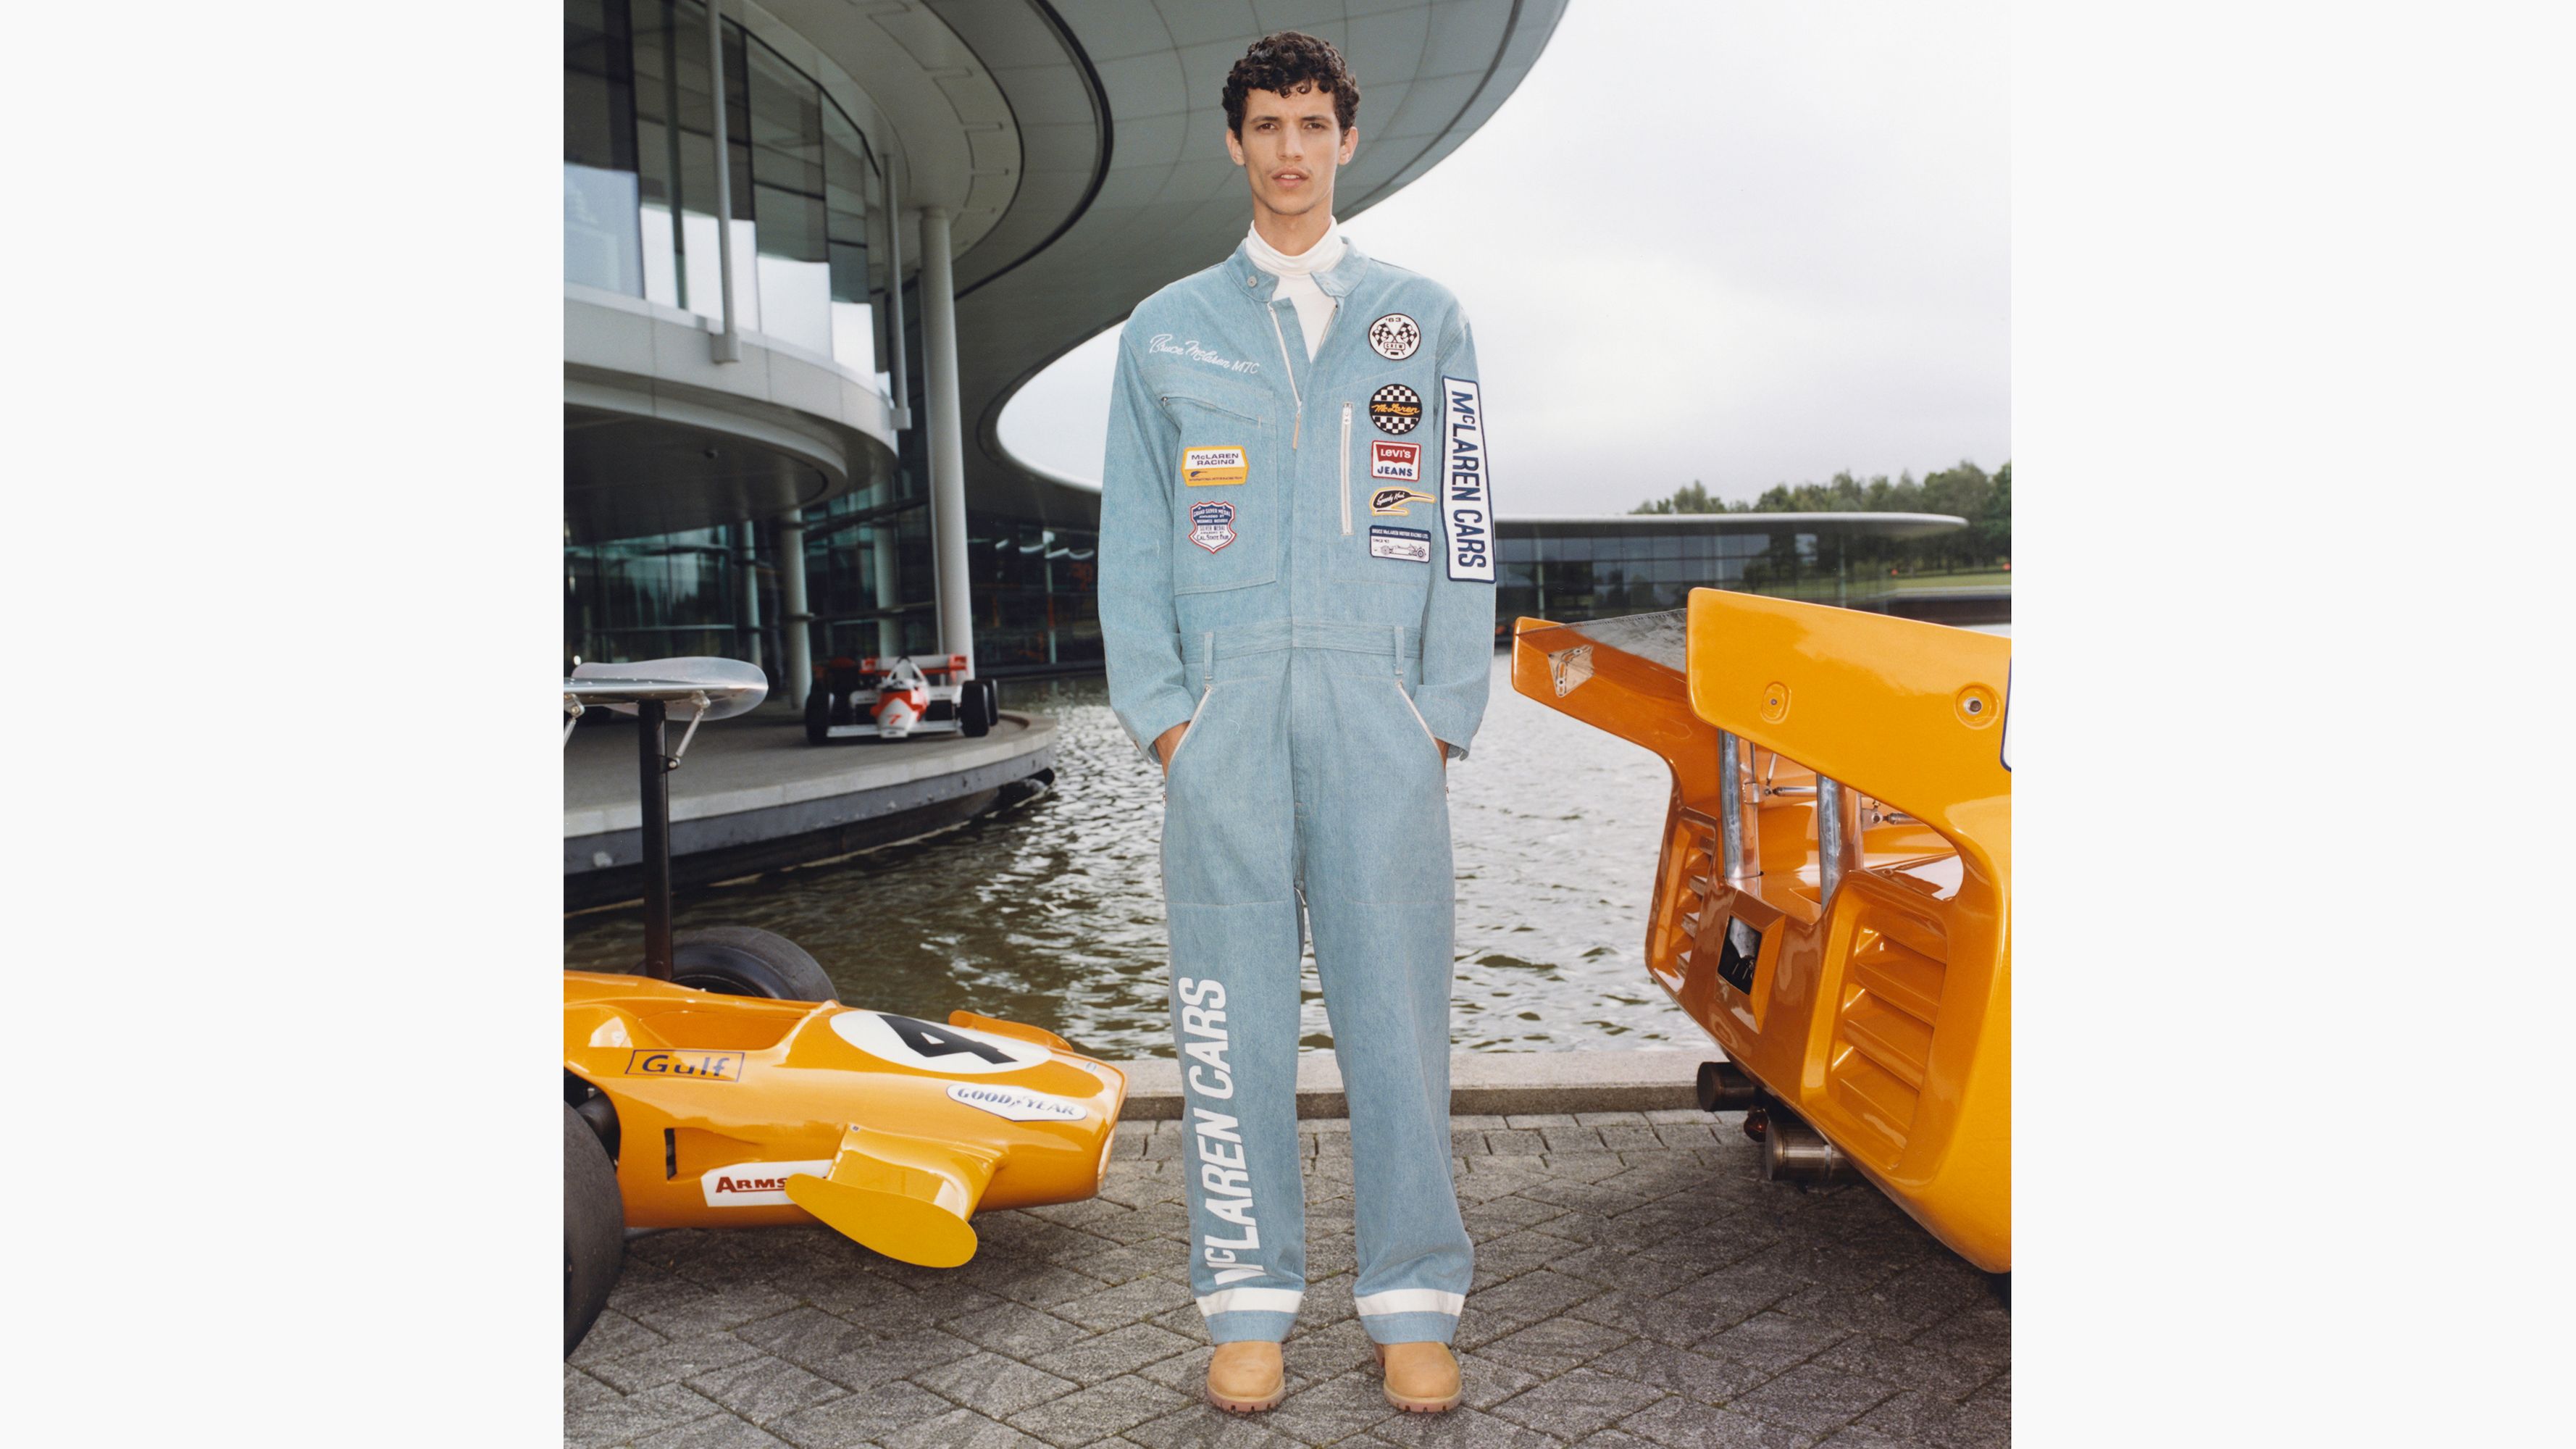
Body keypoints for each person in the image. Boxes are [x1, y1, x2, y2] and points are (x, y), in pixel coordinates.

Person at [1097, 30, 1496, 1419]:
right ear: (1234, 142)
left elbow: (1462, 525)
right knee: (1229, 1024)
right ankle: (1248, 1303)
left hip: (1382, 720)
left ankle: (1413, 1302)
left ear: (1347, 139)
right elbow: (1132, 541)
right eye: (1266, 124)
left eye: (1311, 124)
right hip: (1225, 727)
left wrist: (1439, 717)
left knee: (1399, 1021)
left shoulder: (1424, 320)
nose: (1289, 149)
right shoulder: (1165, 330)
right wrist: (1168, 721)